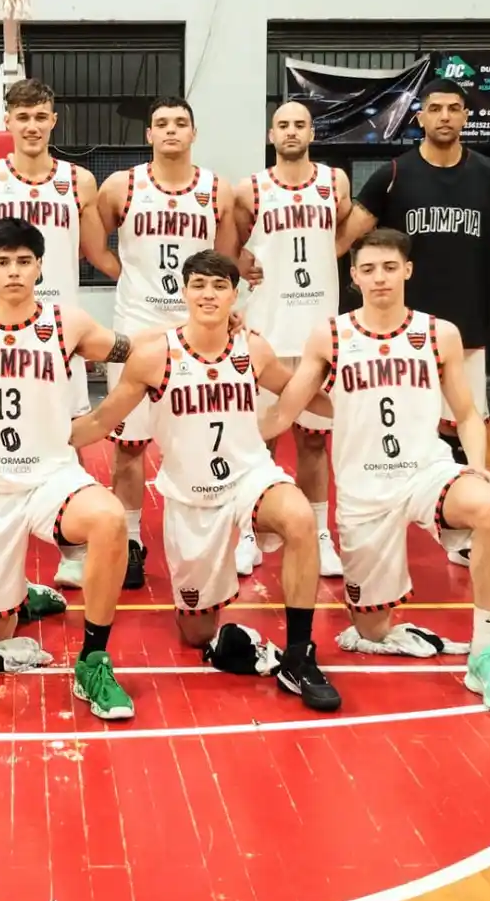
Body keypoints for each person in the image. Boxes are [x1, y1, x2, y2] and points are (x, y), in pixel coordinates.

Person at [262, 229, 490, 713]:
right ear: (354, 277)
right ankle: (378, 626)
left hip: (425, 472)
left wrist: (479, 468)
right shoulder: (331, 334)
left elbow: (465, 413)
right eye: (368, 269)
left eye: (388, 267)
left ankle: (487, 654)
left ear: (407, 270)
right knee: (370, 630)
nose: (379, 277)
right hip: (364, 490)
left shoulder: (438, 333)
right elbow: (285, 412)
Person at [70, 250, 342, 711]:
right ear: (184, 291)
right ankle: (231, 641)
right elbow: (102, 420)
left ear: (235, 294)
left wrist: (358, 408)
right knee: (197, 633)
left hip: (248, 476)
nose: (209, 294)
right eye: (199, 284)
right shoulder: (156, 355)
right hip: (191, 497)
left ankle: (299, 655)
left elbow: (297, 391)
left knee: (297, 517)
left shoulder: (253, 347)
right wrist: (46, 444)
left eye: (219, 286)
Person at [0, 217, 135, 720]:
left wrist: (100, 422)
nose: (14, 272)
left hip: (49, 477)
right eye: (2, 262)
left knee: (108, 521)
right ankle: (21, 596)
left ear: (40, 266)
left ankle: (93, 659)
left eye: (24, 261)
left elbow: (137, 355)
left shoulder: (68, 322)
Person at [0, 79, 120, 590]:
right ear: (7, 122)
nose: (32, 126)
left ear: (53, 120)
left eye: (40, 116)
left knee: (70, 427)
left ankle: (72, 545)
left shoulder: (78, 180)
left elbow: (97, 254)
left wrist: (168, 291)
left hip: (60, 328)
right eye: (22, 117)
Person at [339, 79, 490, 568]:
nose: (444, 117)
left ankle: (459, 531)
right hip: (402, 332)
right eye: (434, 108)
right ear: (420, 116)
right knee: (400, 423)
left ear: (464, 117)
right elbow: (345, 240)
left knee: (465, 424)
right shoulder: (394, 174)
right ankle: (385, 516)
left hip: (470, 323)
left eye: (454, 109)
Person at [94, 97, 238, 590]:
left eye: (180, 123)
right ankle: (132, 541)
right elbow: (94, 245)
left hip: (197, 330)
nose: (171, 130)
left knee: (204, 438)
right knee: (130, 446)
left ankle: (220, 530)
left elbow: (227, 256)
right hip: (138, 326)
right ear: (149, 135)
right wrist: (124, 275)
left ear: (194, 133)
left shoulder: (216, 188)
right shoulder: (123, 185)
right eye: (161, 124)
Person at [235, 99, 350, 580]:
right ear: (270, 134)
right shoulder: (250, 189)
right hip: (266, 327)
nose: (291, 132)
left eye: (300, 124)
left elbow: (340, 232)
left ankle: (319, 534)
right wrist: (244, 262)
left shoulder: (334, 182)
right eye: (282, 125)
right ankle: (250, 528)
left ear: (312, 133)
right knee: (257, 440)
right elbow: (233, 245)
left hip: (316, 330)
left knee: (312, 441)